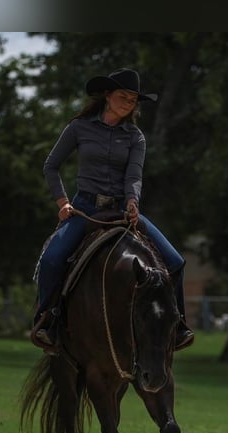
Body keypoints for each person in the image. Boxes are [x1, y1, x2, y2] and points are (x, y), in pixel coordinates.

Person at [32, 68, 194, 351]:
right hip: (84, 209)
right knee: (52, 259)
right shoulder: (78, 128)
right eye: (123, 96)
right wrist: (62, 202)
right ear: (107, 95)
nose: (127, 103)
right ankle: (47, 320)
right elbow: (51, 166)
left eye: (133, 100)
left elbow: (134, 176)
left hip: (122, 209)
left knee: (176, 261)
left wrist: (133, 202)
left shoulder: (136, 137)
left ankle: (178, 324)